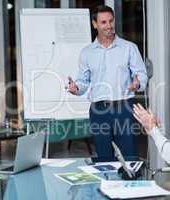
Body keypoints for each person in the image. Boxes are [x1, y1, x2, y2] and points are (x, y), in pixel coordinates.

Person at [67, 5, 148, 159]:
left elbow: (141, 75)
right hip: (99, 111)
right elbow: (83, 82)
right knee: (104, 157)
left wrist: (137, 83)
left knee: (129, 156)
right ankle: (107, 183)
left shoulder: (129, 48)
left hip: (123, 108)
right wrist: (76, 88)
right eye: (103, 22)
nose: (109, 26)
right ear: (95, 24)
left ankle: (131, 182)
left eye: (111, 21)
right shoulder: (87, 53)